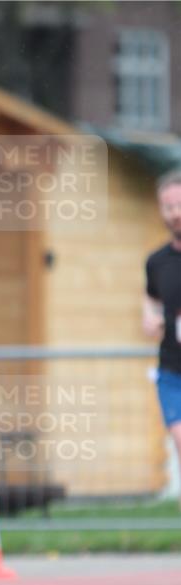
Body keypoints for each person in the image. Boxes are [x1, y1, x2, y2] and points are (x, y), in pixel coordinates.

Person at [143, 170, 181, 501]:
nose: (175, 212)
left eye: (179, 204)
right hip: (172, 369)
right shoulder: (156, 262)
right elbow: (152, 298)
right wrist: (150, 317)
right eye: (168, 206)